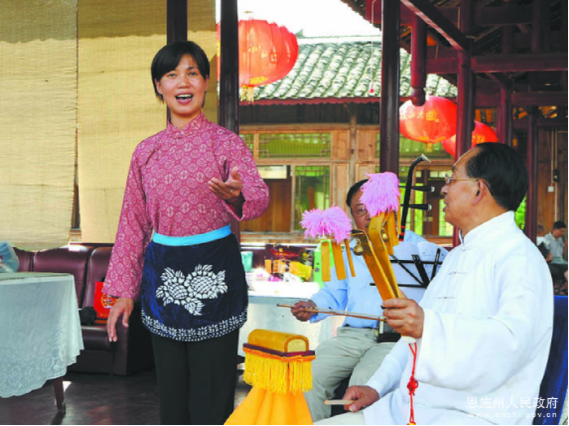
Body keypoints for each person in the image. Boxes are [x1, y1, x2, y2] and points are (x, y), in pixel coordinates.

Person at [317, 143, 554, 425]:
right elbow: (412, 340)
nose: (444, 189)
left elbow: (510, 345)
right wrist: (376, 386)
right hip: (408, 408)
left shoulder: (519, 257)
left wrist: (427, 325)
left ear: (478, 189)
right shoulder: (457, 256)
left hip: (473, 415)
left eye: (452, 179)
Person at [103, 41, 269, 425]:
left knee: (211, 398)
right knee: (172, 399)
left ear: (206, 82)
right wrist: (124, 292)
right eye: (171, 74)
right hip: (164, 283)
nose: (183, 82)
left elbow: (258, 196)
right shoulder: (145, 152)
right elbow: (133, 222)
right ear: (158, 86)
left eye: (192, 73)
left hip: (216, 278)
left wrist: (238, 196)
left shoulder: (226, 143)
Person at [291, 180, 426, 422]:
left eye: (375, 207)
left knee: (363, 383)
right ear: (352, 215)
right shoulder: (347, 249)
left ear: (390, 207)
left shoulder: (418, 248)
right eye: (360, 210)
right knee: (307, 374)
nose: (369, 215)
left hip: (395, 338)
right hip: (352, 336)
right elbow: (333, 294)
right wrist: (312, 307)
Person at [537, 225, 568, 295]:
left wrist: (565, 246)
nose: (562, 233)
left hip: (556, 260)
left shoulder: (559, 240)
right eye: (561, 231)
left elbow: (559, 253)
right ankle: (562, 288)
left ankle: (564, 288)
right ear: (555, 229)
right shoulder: (544, 239)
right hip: (549, 262)